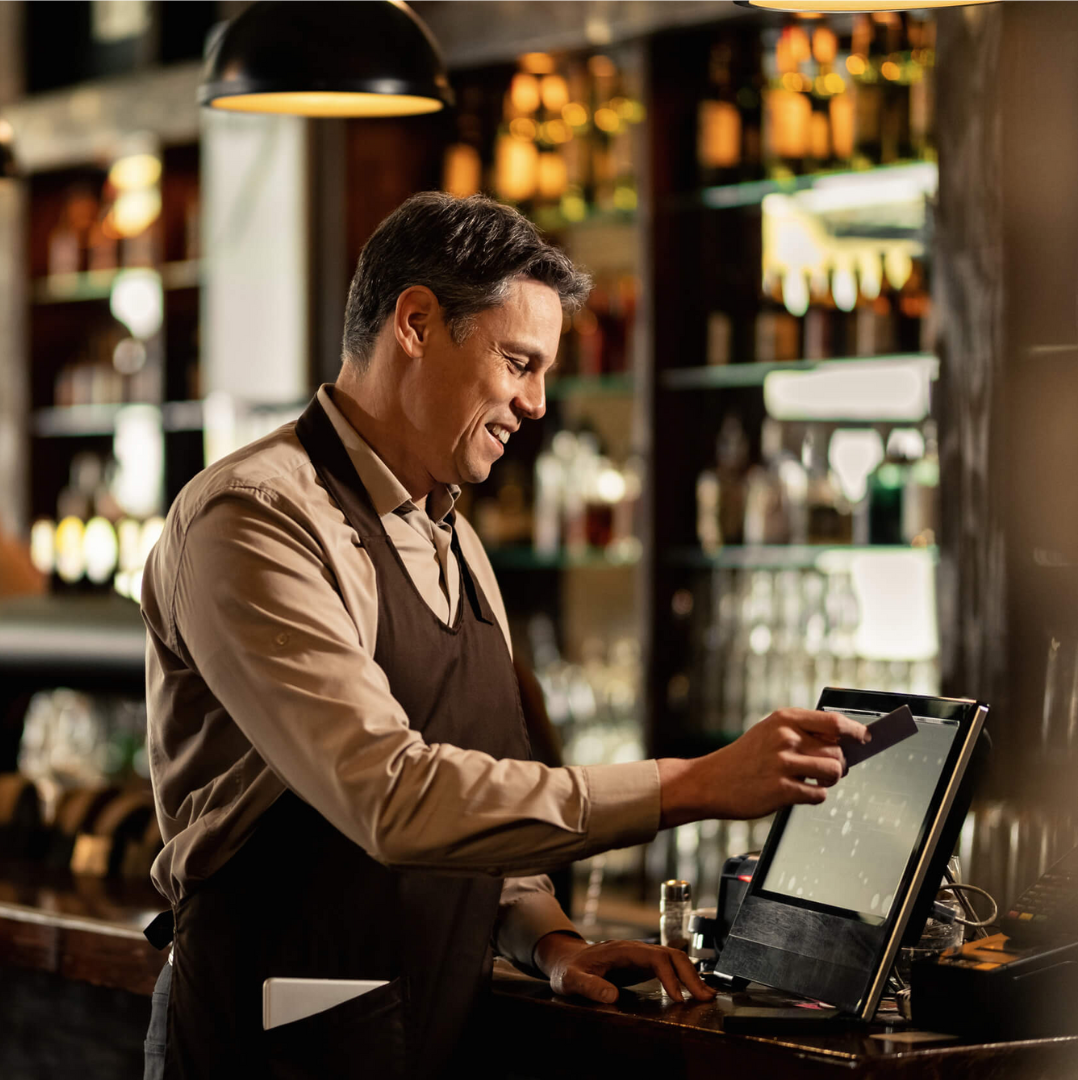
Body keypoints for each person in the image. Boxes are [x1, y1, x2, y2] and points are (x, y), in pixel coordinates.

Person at [140, 192, 869, 1079]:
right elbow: (393, 796)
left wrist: (550, 939)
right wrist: (695, 783)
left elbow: (476, 783)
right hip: (271, 1041)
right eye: (519, 362)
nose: (536, 404)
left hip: (440, 1030)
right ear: (415, 322)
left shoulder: (456, 540)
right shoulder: (254, 519)